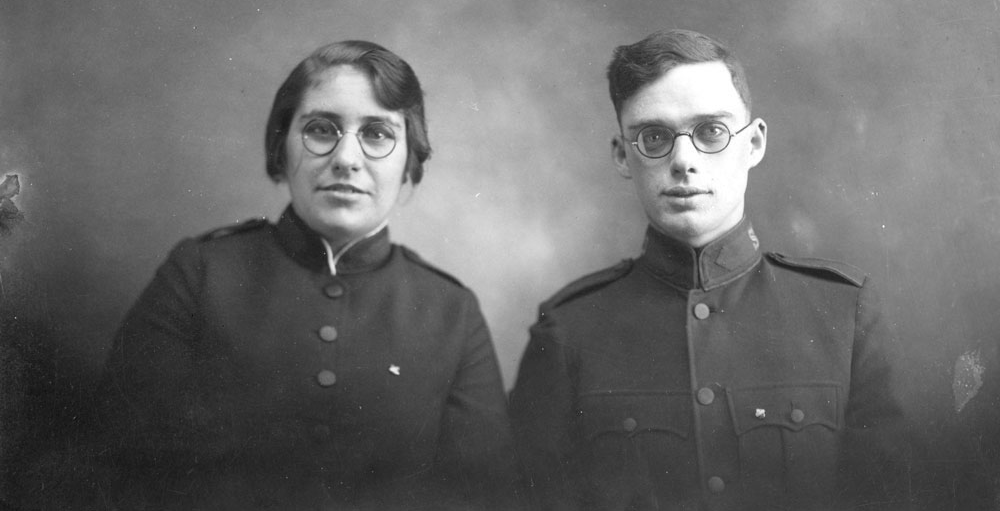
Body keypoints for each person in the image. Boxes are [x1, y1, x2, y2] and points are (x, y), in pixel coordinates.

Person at [89, 41, 521, 510]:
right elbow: (120, 470)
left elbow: (482, 496)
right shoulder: (200, 274)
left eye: (377, 134)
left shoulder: (452, 313)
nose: (346, 158)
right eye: (320, 129)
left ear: (409, 164)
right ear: (282, 146)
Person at [508, 29, 908, 511]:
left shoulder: (843, 312)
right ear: (621, 155)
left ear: (753, 143)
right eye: (654, 137)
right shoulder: (567, 330)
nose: (683, 161)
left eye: (711, 132)